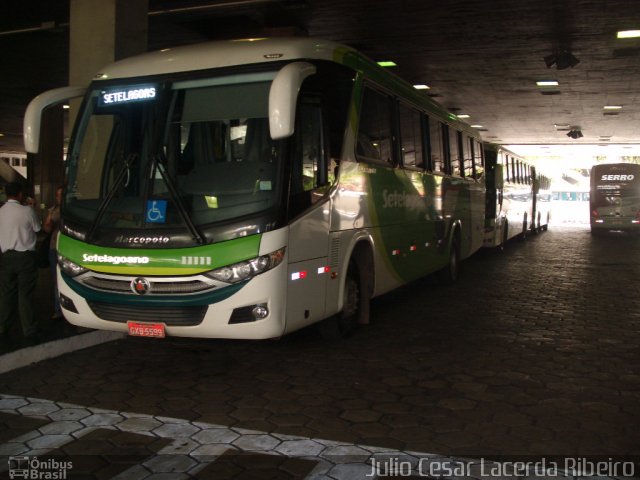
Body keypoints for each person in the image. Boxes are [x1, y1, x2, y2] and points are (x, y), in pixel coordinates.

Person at [0, 182, 42, 345]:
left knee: (6, 292)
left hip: (6, 257)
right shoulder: (27, 211)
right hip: (25, 258)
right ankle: (29, 328)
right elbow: (38, 229)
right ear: (19, 194)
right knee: (25, 293)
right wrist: (32, 207)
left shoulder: (1, 212)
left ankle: (3, 326)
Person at [43, 185, 64, 320]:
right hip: (54, 247)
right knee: (56, 280)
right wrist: (50, 217)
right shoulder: (54, 209)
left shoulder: (72, 208)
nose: (59, 197)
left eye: (61, 195)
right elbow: (46, 228)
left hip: (66, 247)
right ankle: (58, 309)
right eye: (58, 195)